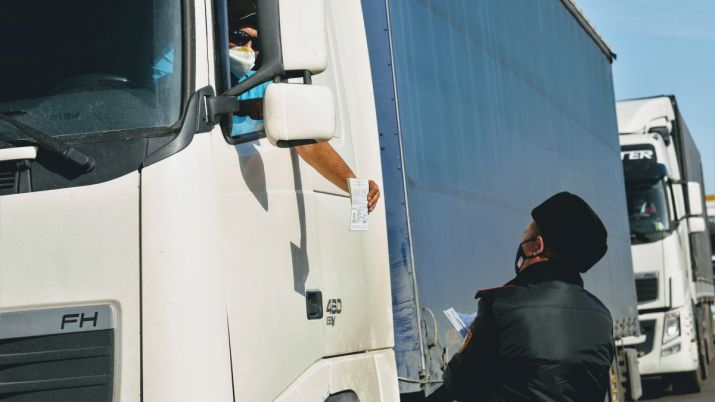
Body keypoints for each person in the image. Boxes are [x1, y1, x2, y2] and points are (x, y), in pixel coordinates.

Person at [438, 192, 614, 402]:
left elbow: (461, 384)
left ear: (536, 246)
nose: (521, 241)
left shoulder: (502, 305)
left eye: (525, 235)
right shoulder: (602, 317)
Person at [228, 11, 380, 212]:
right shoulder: (192, 75)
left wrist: (355, 186)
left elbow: (309, 143)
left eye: (257, 44)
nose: (248, 48)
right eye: (241, 38)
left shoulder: (263, 87)